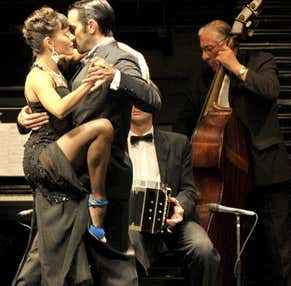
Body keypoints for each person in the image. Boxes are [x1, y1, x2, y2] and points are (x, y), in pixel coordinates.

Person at [15, 1, 161, 285]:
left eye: (72, 28)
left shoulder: (120, 57)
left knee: (114, 264)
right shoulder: (72, 60)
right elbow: (49, 100)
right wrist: (24, 118)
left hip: (103, 176)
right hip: (65, 174)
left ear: (91, 26)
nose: (70, 35)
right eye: (65, 30)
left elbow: (153, 100)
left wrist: (115, 76)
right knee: (46, 259)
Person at [173, 20, 291, 285]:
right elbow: (183, 123)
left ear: (229, 44)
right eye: (202, 50)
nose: (205, 57)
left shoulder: (261, 60)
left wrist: (236, 68)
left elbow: (270, 90)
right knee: (231, 250)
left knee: (276, 251)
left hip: (266, 173)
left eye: (210, 50)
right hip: (224, 181)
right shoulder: (203, 78)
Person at [13, 6, 113, 285]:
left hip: (59, 151)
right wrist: (88, 84)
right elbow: (57, 109)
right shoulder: (38, 75)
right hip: (43, 155)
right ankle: (98, 200)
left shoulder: (60, 65)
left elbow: (93, 50)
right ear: (49, 42)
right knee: (103, 127)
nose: (71, 36)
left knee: (49, 238)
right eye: (65, 32)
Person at [127, 105, 220, 286]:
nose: (136, 106)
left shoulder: (179, 142)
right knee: (128, 244)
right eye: (131, 100)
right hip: (131, 224)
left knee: (204, 250)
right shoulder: (113, 144)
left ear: (154, 105)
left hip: (173, 221)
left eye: (142, 101)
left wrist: (179, 208)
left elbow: (189, 189)